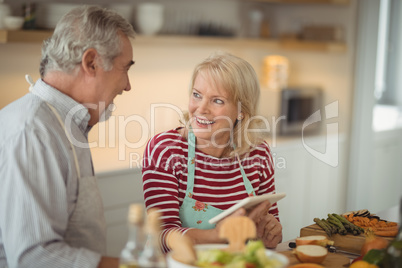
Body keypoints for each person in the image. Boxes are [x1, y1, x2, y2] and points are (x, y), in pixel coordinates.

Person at [0, 5, 135, 268]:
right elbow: (34, 257)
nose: (128, 85)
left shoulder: (63, 123)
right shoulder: (32, 132)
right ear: (91, 62)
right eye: (125, 68)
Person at [142, 52, 282, 253]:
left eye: (217, 100)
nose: (201, 109)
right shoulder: (165, 150)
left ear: (241, 111)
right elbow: (162, 236)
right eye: (197, 95)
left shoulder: (258, 153)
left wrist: (269, 233)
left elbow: (269, 229)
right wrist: (218, 236)